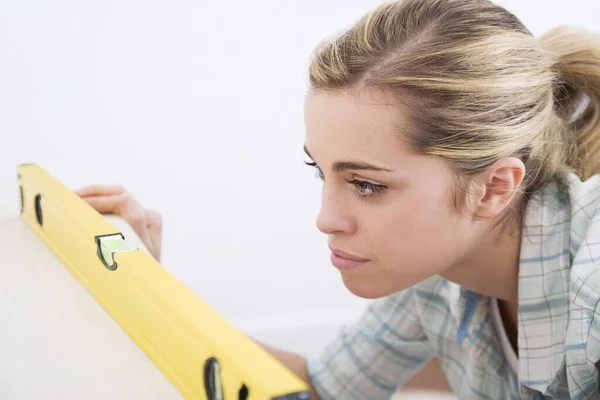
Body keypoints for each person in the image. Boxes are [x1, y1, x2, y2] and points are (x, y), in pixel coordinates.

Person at [76, 0, 600, 398]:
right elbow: (322, 389)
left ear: (494, 188)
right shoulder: (433, 278)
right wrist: (152, 291)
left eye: (367, 185)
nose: (326, 220)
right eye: (319, 171)